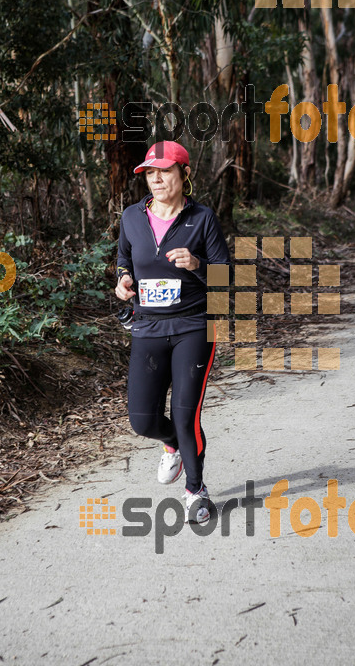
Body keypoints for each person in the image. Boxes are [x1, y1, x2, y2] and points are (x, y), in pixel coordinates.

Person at [115, 140, 231, 524]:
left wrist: (197, 264)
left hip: (194, 325)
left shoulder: (203, 218)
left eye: (165, 171)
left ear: (184, 175)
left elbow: (229, 276)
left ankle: (196, 492)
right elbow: (123, 260)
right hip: (148, 326)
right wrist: (123, 280)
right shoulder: (132, 217)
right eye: (150, 172)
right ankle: (172, 446)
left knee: (185, 415)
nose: (157, 179)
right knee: (142, 419)